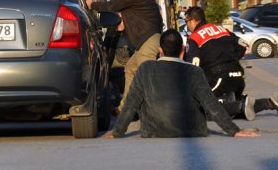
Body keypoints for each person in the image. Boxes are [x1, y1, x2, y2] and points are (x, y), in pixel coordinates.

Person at [105, 30, 260, 138]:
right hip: (193, 131)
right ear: (183, 50)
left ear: (160, 50)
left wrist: (117, 132)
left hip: (153, 131)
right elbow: (211, 105)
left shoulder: (145, 69)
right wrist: (234, 131)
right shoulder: (194, 72)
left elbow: (131, 104)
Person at [184, 6, 278, 120]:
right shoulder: (221, 30)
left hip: (218, 77)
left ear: (194, 20)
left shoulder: (194, 38)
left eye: (187, 22)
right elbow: (243, 44)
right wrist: (231, 59)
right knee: (236, 107)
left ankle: (240, 107)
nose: (187, 25)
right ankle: (269, 103)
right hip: (238, 75)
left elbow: (193, 67)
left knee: (202, 109)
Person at [85, 0, 163, 109]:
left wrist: (92, 4)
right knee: (130, 69)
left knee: (146, 76)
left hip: (148, 38)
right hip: (146, 37)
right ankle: (125, 108)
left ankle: (157, 111)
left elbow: (114, 6)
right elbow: (134, 11)